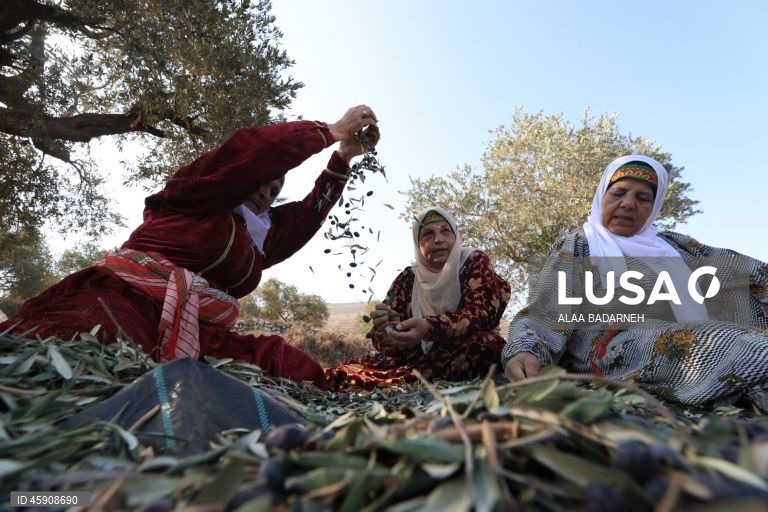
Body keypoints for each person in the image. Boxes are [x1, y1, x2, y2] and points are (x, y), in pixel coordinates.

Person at [0, 105, 381, 388]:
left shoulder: (258, 240)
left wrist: (343, 155)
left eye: (275, 192)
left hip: (198, 330)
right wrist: (329, 131)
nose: (266, 195)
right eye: (261, 183)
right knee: (93, 354)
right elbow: (252, 153)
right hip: (123, 299)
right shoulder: (198, 190)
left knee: (292, 368)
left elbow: (306, 217)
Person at [503, 155, 768, 407]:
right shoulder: (580, 244)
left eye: (643, 197)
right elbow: (548, 309)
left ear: (655, 208)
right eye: (618, 193)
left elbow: (746, 270)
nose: (629, 203)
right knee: (721, 343)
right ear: (601, 196)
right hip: (616, 343)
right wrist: (527, 350)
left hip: (692, 328)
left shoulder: (673, 245)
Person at [326, 207, 511, 390]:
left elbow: (480, 313)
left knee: (486, 346)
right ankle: (412, 380)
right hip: (416, 361)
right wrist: (390, 331)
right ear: (417, 243)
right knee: (345, 373)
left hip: (462, 351)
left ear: (455, 237)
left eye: (445, 231)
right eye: (428, 235)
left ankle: (407, 382)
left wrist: (429, 327)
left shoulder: (473, 261)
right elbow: (382, 339)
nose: (438, 239)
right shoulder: (408, 279)